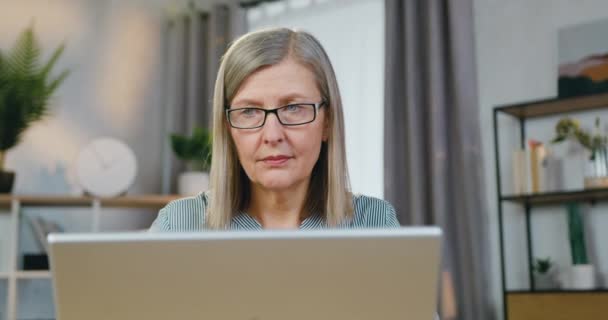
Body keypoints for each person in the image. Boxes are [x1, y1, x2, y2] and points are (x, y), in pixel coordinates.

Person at [150, 27, 399, 231]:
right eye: (248, 111)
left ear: (328, 122)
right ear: (228, 130)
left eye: (293, 108)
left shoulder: (375, 222)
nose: (272, 135)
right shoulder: (178, 225)